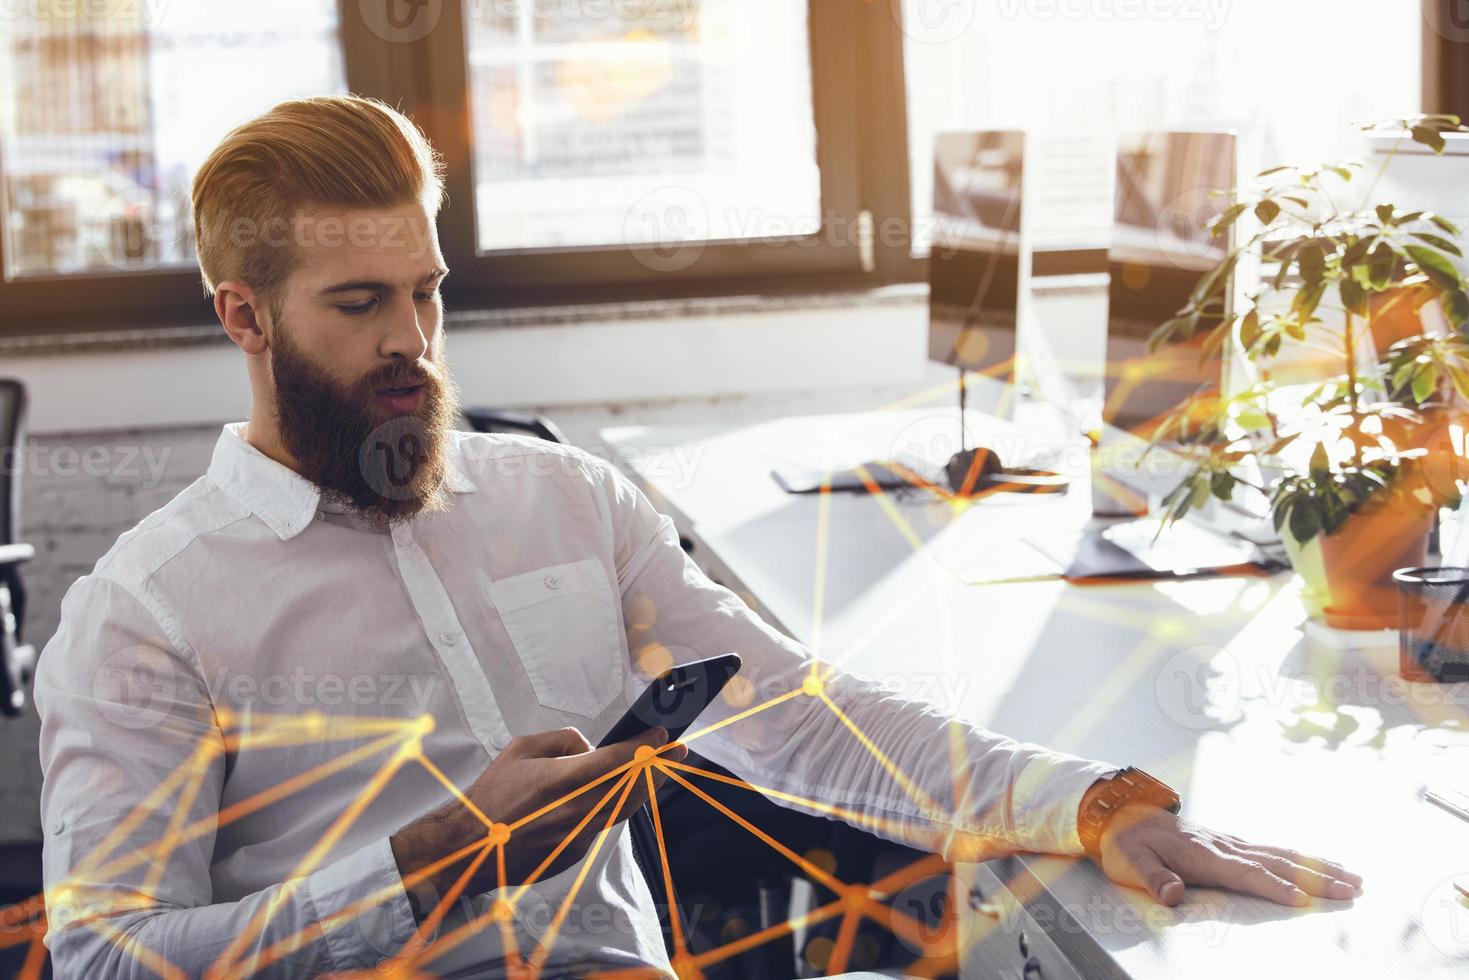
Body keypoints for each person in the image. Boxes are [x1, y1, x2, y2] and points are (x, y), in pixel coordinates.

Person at [34, 96, 1360, 978]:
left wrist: (1087, 797)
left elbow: (795, 713)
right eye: (360, 303)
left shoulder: (559, 502)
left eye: (428, 293)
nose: (411, 343)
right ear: (245, 318)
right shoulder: (146, 610)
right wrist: (423, 862)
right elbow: (104, 956)